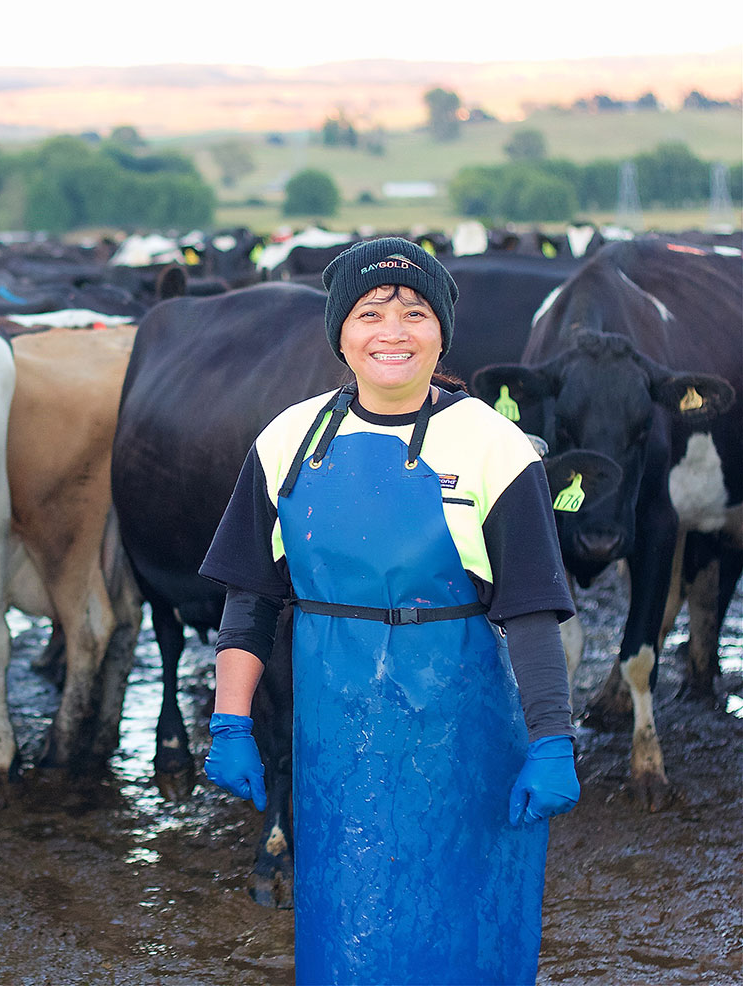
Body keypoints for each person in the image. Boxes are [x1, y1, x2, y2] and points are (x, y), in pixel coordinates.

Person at [199, 237, 580, 984]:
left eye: (414, 313)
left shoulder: (494, 448)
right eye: (371, 313)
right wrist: (230, 721)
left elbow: (532, 612)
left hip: (460, 731)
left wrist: (551, 740)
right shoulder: (288, 440)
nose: (393, 332)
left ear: (442, 332)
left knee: (459, 924)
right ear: (340, 332)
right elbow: (251, 600)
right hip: (334, 735)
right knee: (349, 923)